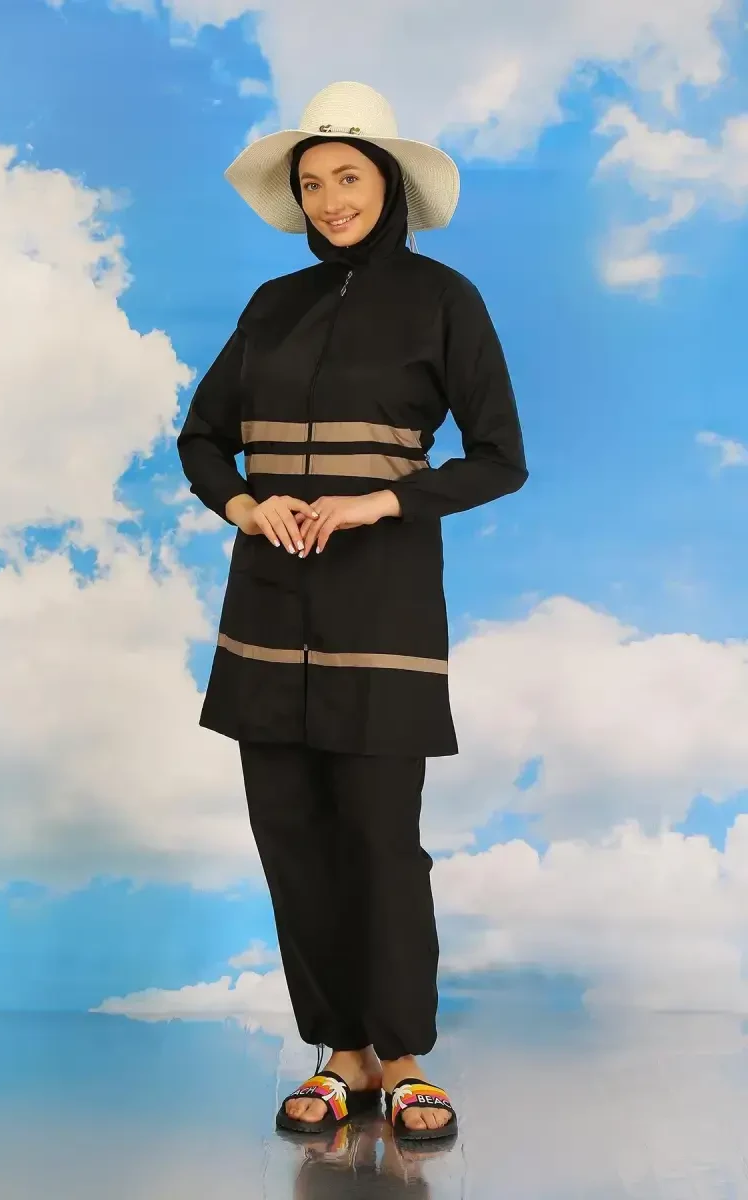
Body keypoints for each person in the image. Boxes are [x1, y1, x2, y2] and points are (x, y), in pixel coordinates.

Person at [176, 81, 527, 1143]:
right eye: (313, 183)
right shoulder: (270, 305)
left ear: (389, 184)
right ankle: (341, 1056)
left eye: (349, 177)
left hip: (381, 602)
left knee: (379, 837)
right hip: (266, 603)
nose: (330, 200)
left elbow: (499, 457)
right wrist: (245, 504)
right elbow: (203, 438)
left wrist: (381, 501)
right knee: (291, 834)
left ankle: (404, 1054)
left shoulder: (445, 300)